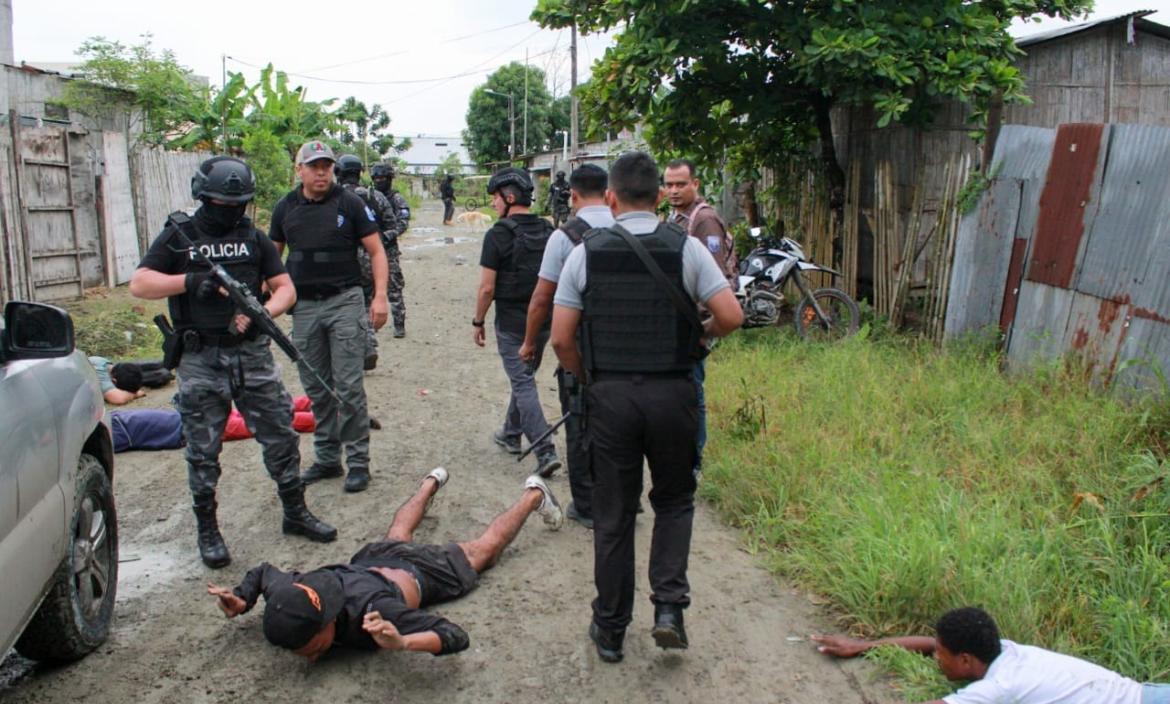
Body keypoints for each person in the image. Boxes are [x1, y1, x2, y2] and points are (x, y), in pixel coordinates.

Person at [549, 151, 744, 663]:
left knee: (613, 514)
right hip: (673, 394)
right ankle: (669, 611)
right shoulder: (686, 248)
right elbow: (731, 315)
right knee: (675, 501)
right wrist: (699, 339)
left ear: (610, 198)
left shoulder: (585, 252)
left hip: (610, 396)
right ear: (660, 195)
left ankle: (611, 629)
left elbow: (562, 339)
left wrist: (590, 379)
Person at [128, 155, 338, 568]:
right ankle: (208, 529)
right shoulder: (178, 236)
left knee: (280, 434)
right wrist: (189, 281)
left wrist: (262, 312)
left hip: (251, 354)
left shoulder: (252, 238)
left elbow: (285, 288)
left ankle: (295, 511)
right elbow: (140, 283)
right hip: (200, 358)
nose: (231, 212)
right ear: (203, 198)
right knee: (203, 450)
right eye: (223, 204)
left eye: (238, 204)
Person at [206, 468, 564, 660]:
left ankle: (534, 494)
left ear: (328, 621)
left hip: (419, 572)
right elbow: (264, 573)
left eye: (314, 648)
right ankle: (430, 481)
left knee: (482, 552)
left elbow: (455, 636)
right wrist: (242, 599)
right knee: (397, 532)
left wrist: (403, 643)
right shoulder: (295, 593)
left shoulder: (374, 615)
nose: (310, 657)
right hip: (371, 559)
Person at [269, 141, 388, 495]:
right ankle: (326, 458)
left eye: (327, 166)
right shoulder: (285, 207)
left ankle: (358, 462)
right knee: (317, 385)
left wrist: (380, 296)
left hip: (344, 302)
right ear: (300, 170)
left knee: (349, 386)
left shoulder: (349, 203)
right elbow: (272, 258)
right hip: (303, 307)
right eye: (314, 166)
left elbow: (377, 250)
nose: (322, 172)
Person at [812, 606, 1170, 704]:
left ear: (966, 660)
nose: (936, 658)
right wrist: (864, 646)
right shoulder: (1011, 653)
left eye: (942, 655)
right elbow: (927, 642)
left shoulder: (1001, 686)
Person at [519, 164, 613, 529]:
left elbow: (542, 299)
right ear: (608, 194)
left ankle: (587, 505)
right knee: (620, 424)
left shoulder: (564, 237)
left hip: (580, 346)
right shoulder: (628, 228)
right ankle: (626, 498)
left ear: (572, 195)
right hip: (624, 347)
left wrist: (530, 343)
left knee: (580, 422)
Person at [472, 167, 562, 479]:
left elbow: (487, 288)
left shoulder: (497, 234)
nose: (494, 205)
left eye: (496, 199)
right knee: (523, 378)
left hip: (512, 324)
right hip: (545, 322)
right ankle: (511, 433)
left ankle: (545, 449)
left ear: (509, 198)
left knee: (523, 382)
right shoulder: (549, 230)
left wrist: (478, 320)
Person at [663, 158, 739, 479]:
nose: (674, 190)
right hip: (678, 325)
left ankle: (694, 464)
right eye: (669, 184)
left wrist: (703, 332)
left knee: (693, 395)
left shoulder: (704, 221)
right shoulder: (675, 217)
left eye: (681, 184)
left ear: (696, 184)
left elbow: (714, 283)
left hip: (695, 328)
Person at [334, 154, 400, 369]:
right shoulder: (375, 196)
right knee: (366, 301)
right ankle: (369, 343)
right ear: (360, 173)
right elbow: (392, 223)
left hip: (345, 260)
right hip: (372, 257)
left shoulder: (333, 197)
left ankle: (355, 346)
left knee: (346, 304)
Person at [371, 162, 411, 338]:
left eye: (383, 178)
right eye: (376, 178)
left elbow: (403, 222)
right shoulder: (368, 196)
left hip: (388, 249)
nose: (379, 181)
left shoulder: (396, 199)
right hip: (370, 250)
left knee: (394, 288)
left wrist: (386, 236)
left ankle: (399, 324)